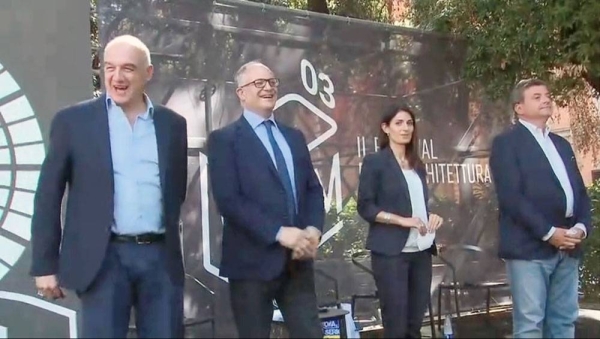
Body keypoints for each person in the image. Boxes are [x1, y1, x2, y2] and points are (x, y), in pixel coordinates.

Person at [29, 35, 188, 338]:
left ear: (148, 73)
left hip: (159, 260)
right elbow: (48, 196)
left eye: (128, 68)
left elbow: (174, 192)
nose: (117, 77)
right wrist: (45, 264)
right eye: (109, 67)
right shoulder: (72, 122)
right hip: (102, 261)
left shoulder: (172, 125)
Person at [206, 60, 325, 338]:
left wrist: (313, 230)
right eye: (259, 83)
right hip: (250, 265)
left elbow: (313, 190)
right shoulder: (224, 141)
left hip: (297, 265)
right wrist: (279, 233)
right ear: (241, 93)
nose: (268, 88)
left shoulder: (294, 137)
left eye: (272, 82)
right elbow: (229, 200)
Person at [489, 78, 591, 338]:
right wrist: (548, 233)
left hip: (568, 246)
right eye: (536, 96)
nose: (546, 99)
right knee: (530, 324)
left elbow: (579, 192)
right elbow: (511, 197)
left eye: (547, 95)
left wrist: (580, 227)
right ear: (518, 108)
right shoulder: (507, 144)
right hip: (529, 249)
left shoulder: (561, 144)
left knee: (564, 321)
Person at [357, 102, 444, 338]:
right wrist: (401, 221)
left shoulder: (417, 165)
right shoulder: (375, 162)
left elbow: (418, 205)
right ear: (385, 128)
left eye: (409, 123)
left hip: (421, 251)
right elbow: (365, 207)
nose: (405, 128)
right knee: (396, 324)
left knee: (415, 325)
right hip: (391, 253)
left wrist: (431, 217)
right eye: (398, 123)